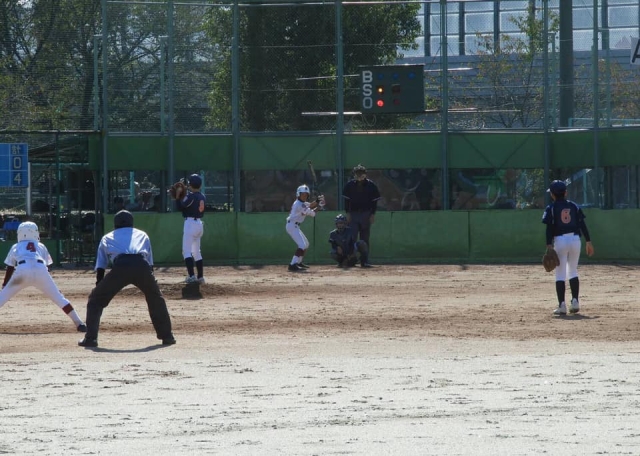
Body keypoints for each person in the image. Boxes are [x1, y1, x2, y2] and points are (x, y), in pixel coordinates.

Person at [78, 210, 175, 348]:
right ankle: (167, 337)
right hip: (141, 266)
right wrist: (151, 283)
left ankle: (91, 339)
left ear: (115, 224)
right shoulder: (142, 234)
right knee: (156, 299)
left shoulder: (107, 237)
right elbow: (150, 263)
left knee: (95, 300)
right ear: (132, 223)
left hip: (121, 266)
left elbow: (101, 266)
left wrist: (100, 287)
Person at [0, 221, 86, 332]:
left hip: (22, 270)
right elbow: (48, 266)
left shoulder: (16, 246)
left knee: (2, 297)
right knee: (60, 299)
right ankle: (79, 324)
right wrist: (50, 284)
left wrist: (5, 284)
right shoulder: (41, 245)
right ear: (35, 233)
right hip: (40, 269)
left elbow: (10, 267)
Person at [542, 180, 595, 316]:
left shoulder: (551, 207)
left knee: (560, 273)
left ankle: (562, 306)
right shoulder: (574, 206)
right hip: (575, 240)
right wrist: (588, 241)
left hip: (560, 240)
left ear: (552, 194)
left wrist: (548, 244)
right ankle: (575, 301)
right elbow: (582, 224)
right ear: (565, 193)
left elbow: (549, 228)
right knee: (573, 270)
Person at [341, 164, 380, 267]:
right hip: (353, 214)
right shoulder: (349, 185)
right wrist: (347, 213)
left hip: (366, 214)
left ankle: (365, 260)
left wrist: (372, 214)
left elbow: (374, 202)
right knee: (352, 237)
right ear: (354, 174)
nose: (359, 175)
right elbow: (346, 201)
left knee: (365, 239)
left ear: (365, 174)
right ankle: (351, 259)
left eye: (361, 173)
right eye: (357, 173)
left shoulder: (371, 185)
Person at [286, 184, 324, 271]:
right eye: (302, 194)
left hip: (294, 226)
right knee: (302, 245)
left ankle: (299, 262)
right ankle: (292, 264)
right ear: (298, 194)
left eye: (306, 194)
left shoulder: (301, 203)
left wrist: (318, 200)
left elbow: (310, 205)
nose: (304, 196)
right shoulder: (299, 204)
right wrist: (320, 206)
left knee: (306, 244)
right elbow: (313, 213)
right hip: (292, 225)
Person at [176, 174, 206, 284]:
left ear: (190, 185)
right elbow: (188, 203)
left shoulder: (191, 196)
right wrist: (184, 192)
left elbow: (180, 207)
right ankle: (200, 277)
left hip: (190, 224)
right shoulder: (202, 196)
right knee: (196, 252)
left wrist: (178, 195)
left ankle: (192, 276)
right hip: (199, 224)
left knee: (186, 251)